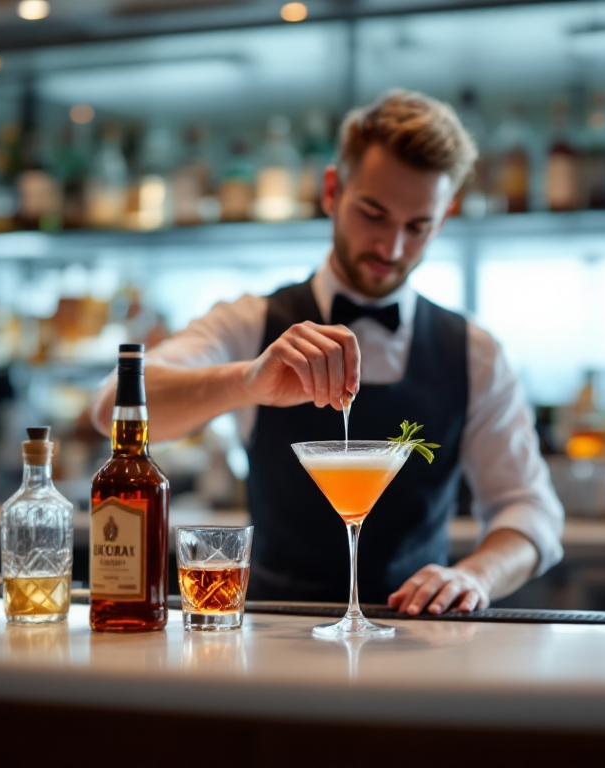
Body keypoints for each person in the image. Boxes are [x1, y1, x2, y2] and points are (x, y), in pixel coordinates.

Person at [92, 90, 564, 615]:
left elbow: (532, 510)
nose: (392, 248)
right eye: (373, 213)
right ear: (332, 191)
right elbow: (108, 404)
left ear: (446, 217)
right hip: (267, 637)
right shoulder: (252, 323)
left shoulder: (475, 353)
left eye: (418, 226)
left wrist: (474, 576)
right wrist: (246, 382)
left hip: (420, 644)